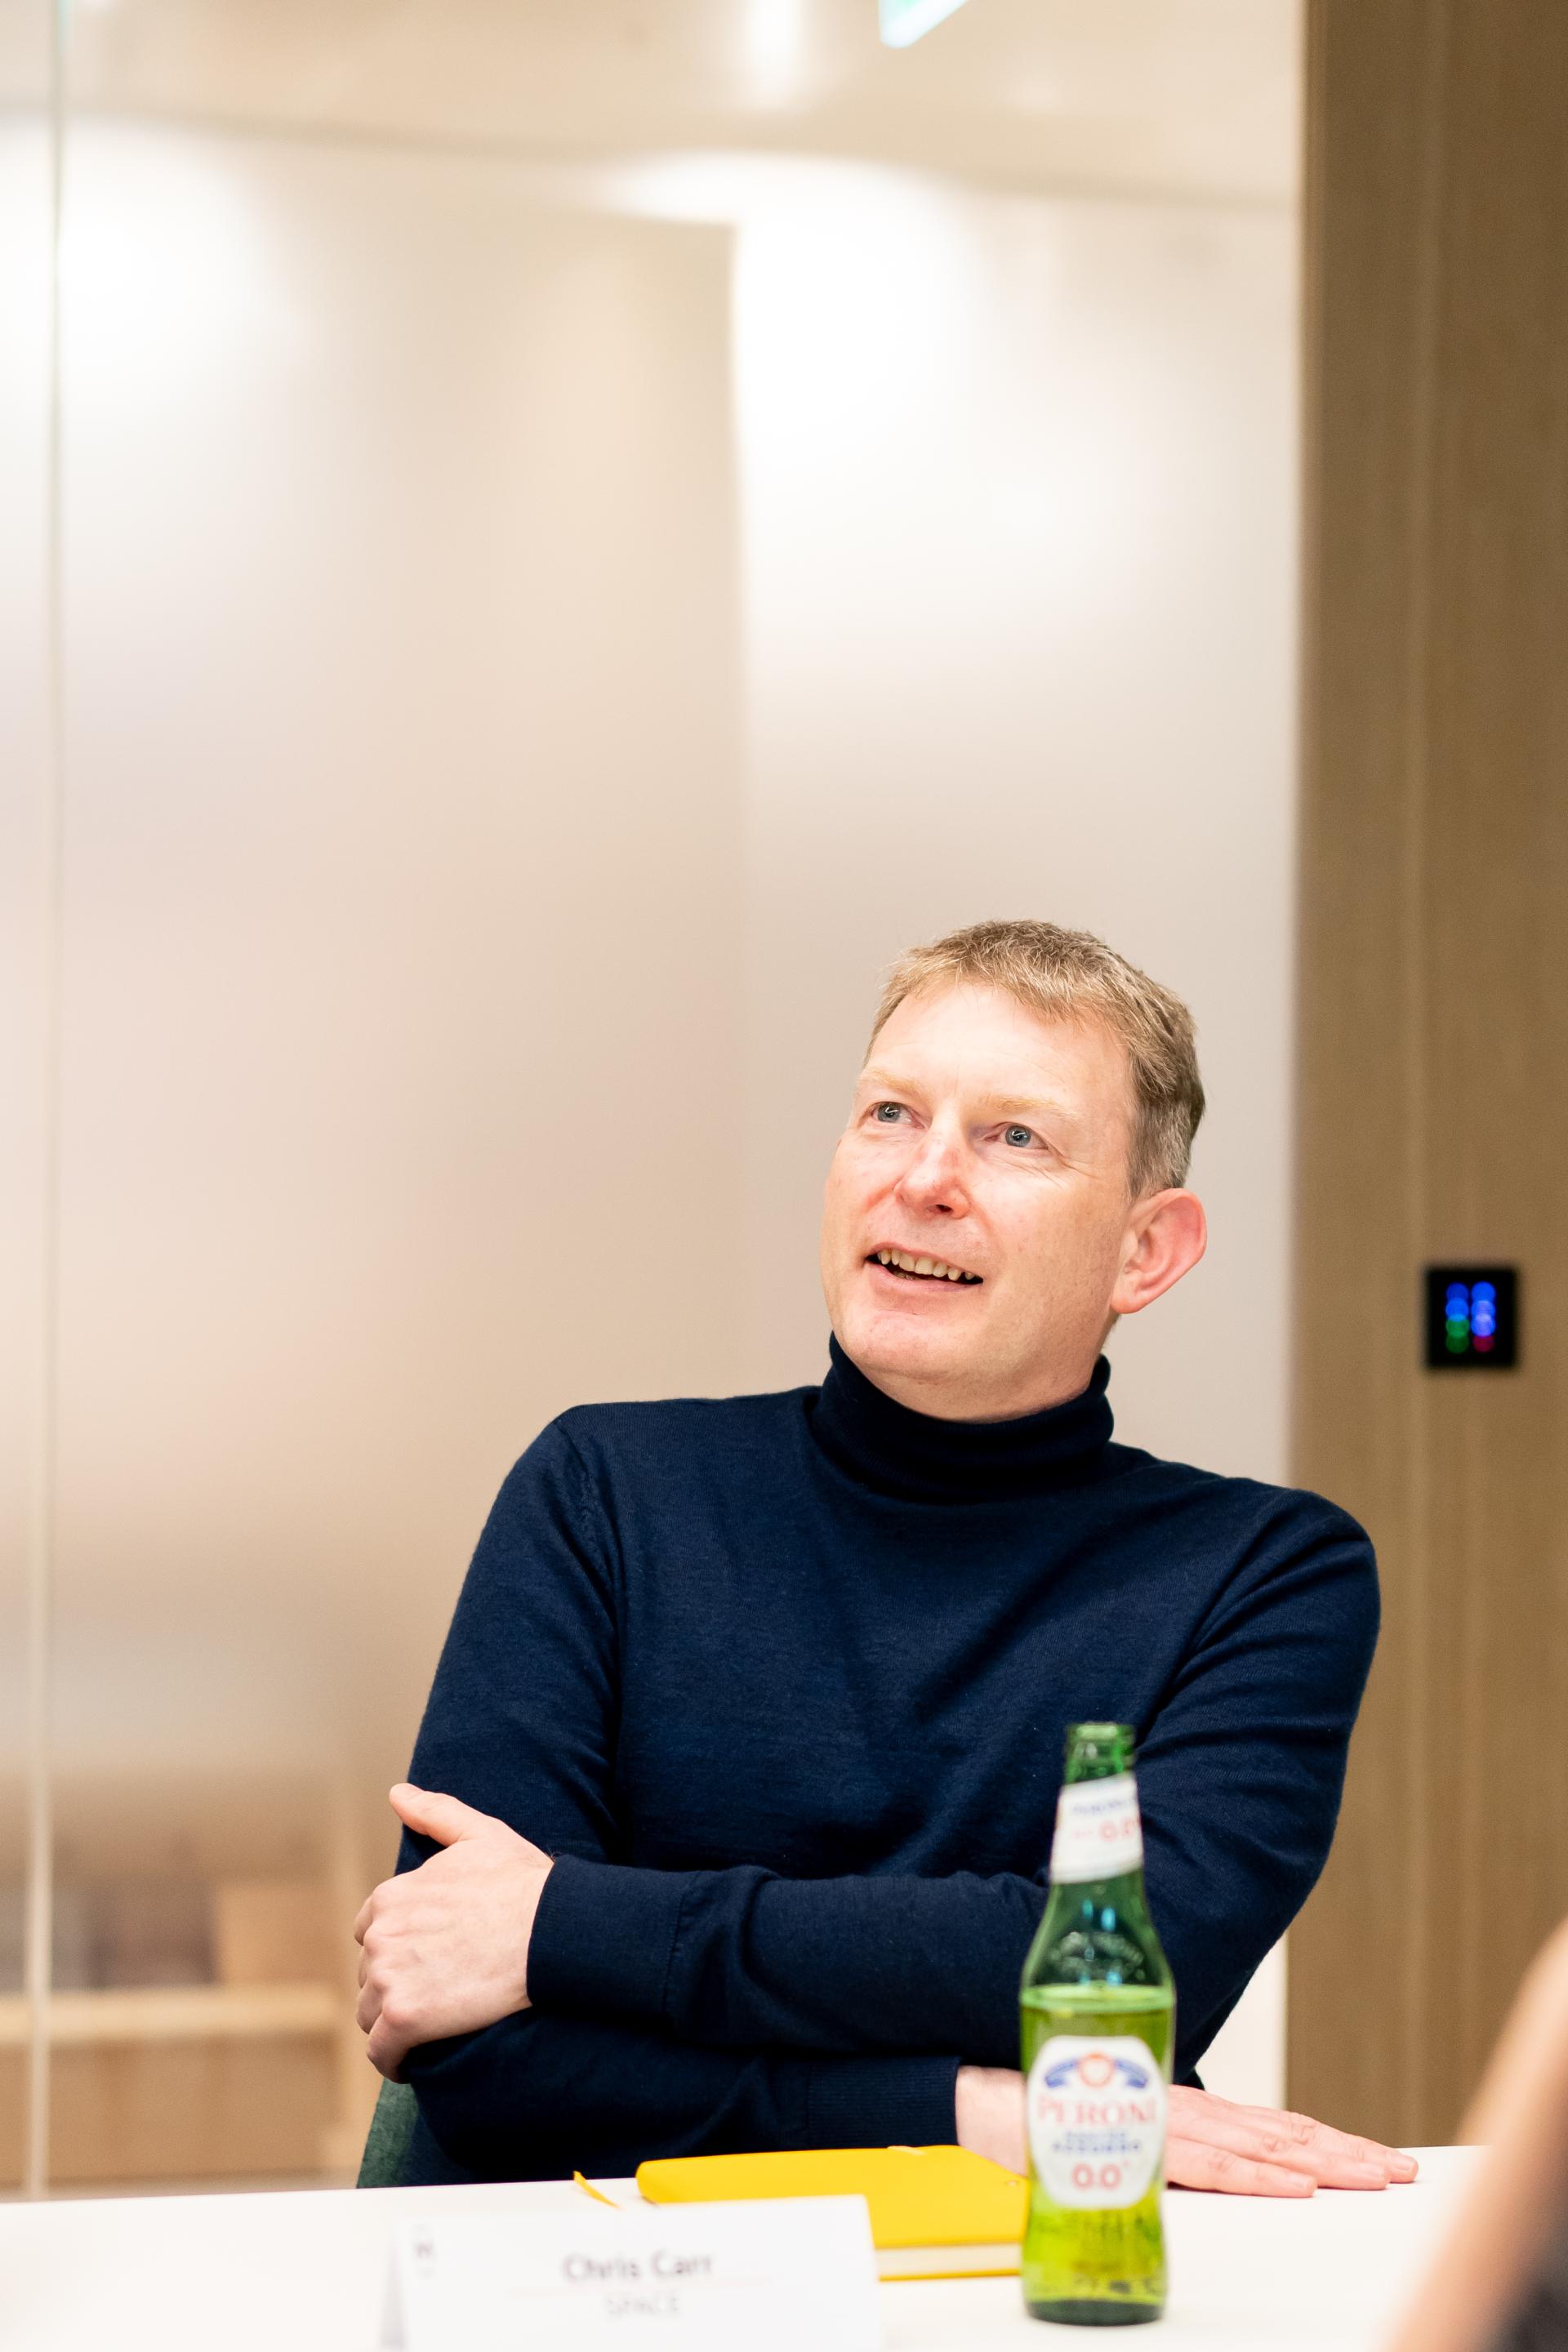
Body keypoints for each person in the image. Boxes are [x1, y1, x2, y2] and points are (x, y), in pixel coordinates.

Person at [355, 917, 1416, 2198]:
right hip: (603, 2290)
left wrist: (567, 1925)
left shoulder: (1264, 1573)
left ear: (1148, 1250)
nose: (926, 1176)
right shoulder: (604, 1492)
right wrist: (963, 2106)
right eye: (890, 1115)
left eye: (1013, 1136)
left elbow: (1134, 1969)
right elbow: (483, 2058)